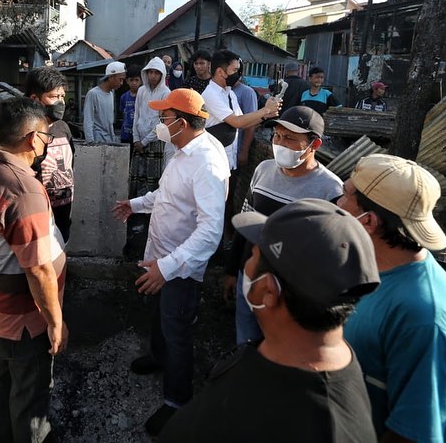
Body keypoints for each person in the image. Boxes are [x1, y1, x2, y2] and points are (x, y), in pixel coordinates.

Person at [159, 199, 380, 443]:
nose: (246, 266)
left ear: (269, 290)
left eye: (253, 256)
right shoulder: (332, 366)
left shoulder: (295, 424)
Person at [111, 89, 230, 437]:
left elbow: (210, 231)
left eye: (164, 117)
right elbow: (168, 196)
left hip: (179, 265)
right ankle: (159, 357)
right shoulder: (182, 150)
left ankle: (177, 402)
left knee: (177, 330)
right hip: (162, 256)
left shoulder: (206, 162)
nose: (160, 122)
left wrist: (167, 267)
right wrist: (136, 204)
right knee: (160, 315)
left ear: (182, 122)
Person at [337, 154, 446, 442]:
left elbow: (413, 433)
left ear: (368, 221)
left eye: (345, 196)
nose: (338, 203)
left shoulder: (427, 320)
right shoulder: (366, 265)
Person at [0, 97, 69, 443]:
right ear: (32, 139)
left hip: (0, 308)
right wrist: (55, 322)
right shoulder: (23, 190)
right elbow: (39, 269)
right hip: (25, 317)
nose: (46, 144)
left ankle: (3, 435)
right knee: (31, 395)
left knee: (5, 375)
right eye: (46, 137)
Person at [224, 106, 343, 345]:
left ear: (314, 145)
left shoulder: (330, 189)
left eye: (289, 138)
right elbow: (246, 219)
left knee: (279, 349)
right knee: (245, 343)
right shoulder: (263, 170)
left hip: (289, 293)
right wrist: (232, 270)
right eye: (276, 135)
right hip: (249, 277)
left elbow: (326, 253)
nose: (279, 143)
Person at [201, 49, 281, 171]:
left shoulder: (229, 93)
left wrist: (265, 116)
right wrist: (265, 110)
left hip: (228, 159)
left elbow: (243, 123)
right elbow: (236, 122)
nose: (238, 74)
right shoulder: (210, 94)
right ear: (220, 72)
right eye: (234, 70)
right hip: (213, 160)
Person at [24, 67, 75, 243]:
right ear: (35, 99)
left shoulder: (63, 128)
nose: (61, 102)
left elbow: (70, 164)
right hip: (34, 219)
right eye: (54, 97)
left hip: (63, 216)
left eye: (62, 97)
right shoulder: (20, 132)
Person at [130, 57, 172, 197]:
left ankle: (151, 207)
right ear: (146, 73)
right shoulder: (141, 91)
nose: (153, 76)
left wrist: (144, 141)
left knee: (152, 178)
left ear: (162, 74)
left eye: (156, 73)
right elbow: (137, 114)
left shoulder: (166, 92)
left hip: (155, 141)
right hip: (139, 141)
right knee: (137, 177)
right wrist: (136, 139)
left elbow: (162, 122)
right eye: (150, 72)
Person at [83, 61, 126, 143]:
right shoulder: (93, 94)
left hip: (109, 140)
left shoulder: (111, 94)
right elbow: (88, 120)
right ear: (111, 77)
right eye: (120, 79)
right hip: (97, 140)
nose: (121, 83)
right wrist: (90, 142)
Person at [119, 66, 142, 144]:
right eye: (131, 80)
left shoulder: (143, 96)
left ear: (141, 81)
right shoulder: (124, 97)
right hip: (125, 135)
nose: (134, 83)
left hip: (140, 136)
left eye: (136, 80)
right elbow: (123, 113)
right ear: (127, 81)